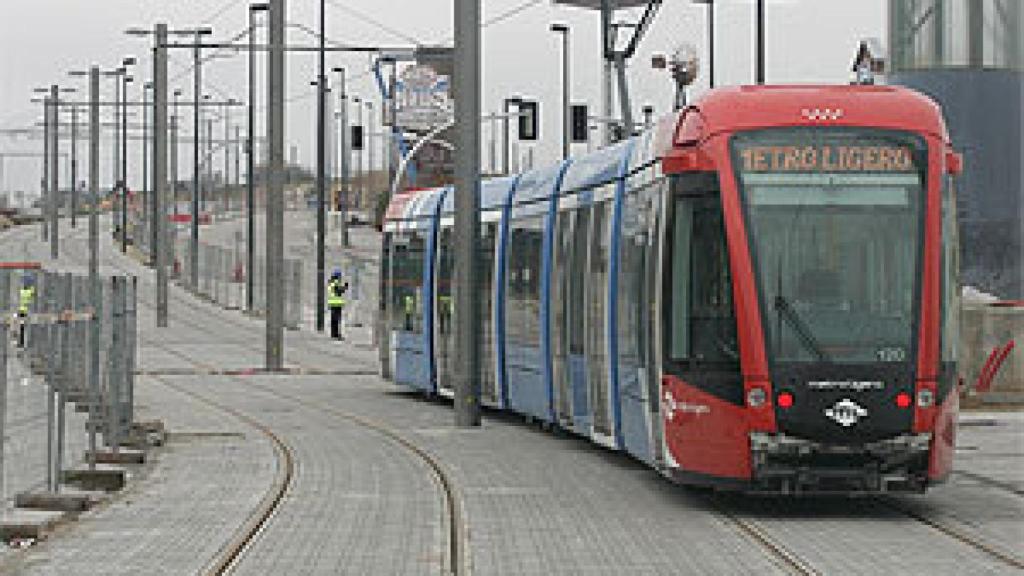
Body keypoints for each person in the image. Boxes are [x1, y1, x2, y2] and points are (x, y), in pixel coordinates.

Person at [327, 269, 349, 339]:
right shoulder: (334, 283)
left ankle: (334, 334)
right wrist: (344, 287)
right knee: (336, 320)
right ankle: (336, 334)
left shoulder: (331, 282)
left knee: (334, 320)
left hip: (333, 303)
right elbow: (338, 291)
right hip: (336, 304)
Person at [18, 274, 35, 348]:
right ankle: (22, 343)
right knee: (22, 327)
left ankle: (22, 343)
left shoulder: (25, 292)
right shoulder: (30, 291)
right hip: (23, 312)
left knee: (22, 327)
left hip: (24, 312)